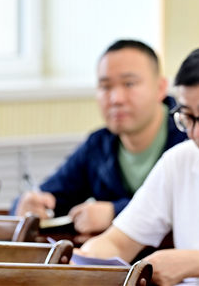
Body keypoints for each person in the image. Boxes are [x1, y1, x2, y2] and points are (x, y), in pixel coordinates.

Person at [79, 44, 199, 286]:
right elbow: (118, 242)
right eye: (188, 117)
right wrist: (84, 259)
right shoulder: (180, 159)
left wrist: (192, 263)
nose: (197, 134)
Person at [14, 39, 187, 234]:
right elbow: (51, 195)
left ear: (160, 88)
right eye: (105, 86)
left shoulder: (192, 135)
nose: (116, 99)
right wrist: (26, 206)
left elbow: (194, 203)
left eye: (129, 84)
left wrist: (116, 213)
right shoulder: (98, 145)